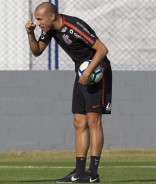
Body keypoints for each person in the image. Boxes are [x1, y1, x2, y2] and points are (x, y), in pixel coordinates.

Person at [25, 2, 112, 183]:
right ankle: (79, 173)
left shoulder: (73, 26)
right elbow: (37, 51)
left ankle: (93, 174)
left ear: (52, 16)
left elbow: (102, 50)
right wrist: (30, 33)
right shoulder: (49, 31)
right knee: (78, 122)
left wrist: (88, 72)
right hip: (81, 73)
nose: (38, 22)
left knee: (93, 121)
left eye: (40, 19)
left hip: (96, 72)